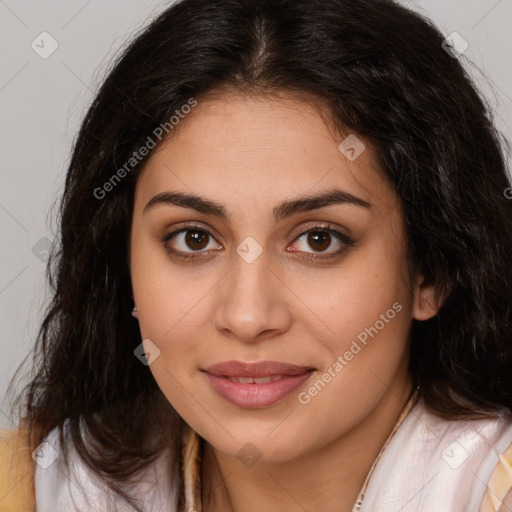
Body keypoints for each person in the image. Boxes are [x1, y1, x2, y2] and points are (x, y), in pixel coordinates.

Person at [1, 0, 512, 511]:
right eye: (193, 239)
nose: (247, 317)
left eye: (319, 240)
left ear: (431, 271)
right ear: (123, 262)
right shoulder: (29, 487)